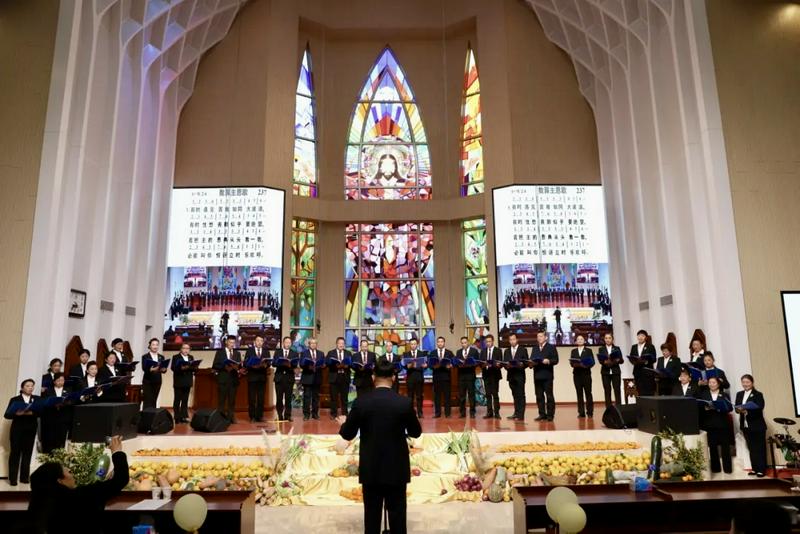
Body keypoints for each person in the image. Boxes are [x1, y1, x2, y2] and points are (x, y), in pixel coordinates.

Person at [338, 357, 422, 534]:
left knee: (372, 517)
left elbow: (348, 434)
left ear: (372, 377)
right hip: (396, 468)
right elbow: (416, 432)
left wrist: (343, 424)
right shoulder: (404, 403)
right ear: (393, 378)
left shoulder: (361, 402)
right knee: (398, 516)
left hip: (371, 468)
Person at [27, 435, 129, 534]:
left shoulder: (38, 508)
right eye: (69, 472)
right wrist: (117, 451)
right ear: (60, 481)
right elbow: (121, 479)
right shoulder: (82, 496)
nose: (73, 475)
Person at [4, 379, 39, 485]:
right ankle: (13, 479)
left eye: (32, 386)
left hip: (31, 430)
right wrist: (16, 414)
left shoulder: (37, 399)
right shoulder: (15, 399)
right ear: (22, 388)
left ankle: (24, 478)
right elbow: (7, 415)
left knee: (27, 454)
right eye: (28, 386)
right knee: (15, 453)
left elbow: (41, 412)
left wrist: (32, 413)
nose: (30, 388)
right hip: (17, 430)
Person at [698, 376, 733, 474]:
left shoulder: (724, 395)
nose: (711, 384)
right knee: (712, 447)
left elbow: (730, 408)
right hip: (709, 424)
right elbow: (699, 407)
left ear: (718, 384)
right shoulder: (704, 394)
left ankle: (727, 469)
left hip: (722, 424)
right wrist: (705, 408)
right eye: (710, 382)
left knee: (725, 447)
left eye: (714, 382)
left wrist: (719, 407)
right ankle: (716, 469)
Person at [735, 374, 767, 477]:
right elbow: (736, 408)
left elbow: (760, 407)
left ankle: (761, 470)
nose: (745, 384)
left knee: (759, 448)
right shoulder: (739, 394)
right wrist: (739, 410)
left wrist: (747, 411)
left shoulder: (758, 394)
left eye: (747, 382)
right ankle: (755, 468)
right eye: (743, 382)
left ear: (752, 383)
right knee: (751, 448)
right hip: (745, 425)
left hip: (757, 425)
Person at [212, 335, 242, 423]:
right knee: (222, 400)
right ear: (226, 342)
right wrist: (224, 367)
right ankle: (220, 418)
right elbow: (215, 365)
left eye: (233, 343)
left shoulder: (237, 353)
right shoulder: (220, 352)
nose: (232, 344)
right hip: (223, 379)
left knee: (232, 401)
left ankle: (230, 417)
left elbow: (239, 366)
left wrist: (237, 367)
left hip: (233, 380)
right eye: (230, 342)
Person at [40, 373, 71, 453]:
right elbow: (44, 403)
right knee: (50, 437)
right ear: (54, 381)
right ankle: (48, 454)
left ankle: (60, 454)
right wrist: (53, 404)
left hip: (63, 417)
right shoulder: (48, 391)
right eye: (58, 380)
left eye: (62, 380)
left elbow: (72, 402)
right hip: (51, 418)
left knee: (61, 437)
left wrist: (65, 403)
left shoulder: (68, 390)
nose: (60, 382)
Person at [531, 331, 558, 422]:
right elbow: (531, 359)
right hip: (537, 375)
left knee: (549, 396)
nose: (539, 338)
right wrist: (531, 363)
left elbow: (556, 360)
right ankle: (542, 414)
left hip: (547, 375)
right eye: (538, 336)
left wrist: (548, 361)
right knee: (539, 396)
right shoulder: (535, 348)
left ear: (546, 337)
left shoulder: (551, 347)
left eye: (541, 336)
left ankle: (550, 415)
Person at [503, 333, 529, 421]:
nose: (512, 341)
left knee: (521, 395)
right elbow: (504, 363)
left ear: (517, 340)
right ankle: (516, 413)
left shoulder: (523, 350)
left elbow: (526, 363)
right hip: (511, 376)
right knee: (514, 395)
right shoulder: (507, 351)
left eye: (513, 339)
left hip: (520, 376)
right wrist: (507, 366)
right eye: (510, 340)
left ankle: (521, 415)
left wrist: (522, 365)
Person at [244, 334, 269, 423]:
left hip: (262, 377)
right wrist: (252, 365)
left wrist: (265, 365)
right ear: (254, 342)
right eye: (258, 341)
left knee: (261, 398)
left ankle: (260, 416)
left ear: (263, 342)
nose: (259, 342)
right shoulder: (249, 351)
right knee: (252, 398)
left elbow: (268, 363)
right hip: (252, 377)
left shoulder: (266, 351)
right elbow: (245, 363)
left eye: (261, 341)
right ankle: (252, 417)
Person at [569, 334, 594, 418]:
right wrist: (576, 364)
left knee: (588, 393)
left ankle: (590, 412)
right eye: (578, 339)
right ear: (576, 341)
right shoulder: (573, 351)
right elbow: (571, 363)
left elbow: (592, 362)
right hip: (577, 375)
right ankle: (581, 412)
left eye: (581, 339)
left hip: (586, 374)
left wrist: (585, 365)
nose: (579, 340)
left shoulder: (588, 350)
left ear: (584, 341)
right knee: (579, 394)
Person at [273, 336, 297, 422]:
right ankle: (279, 415)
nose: (288, 344)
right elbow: (273, 363)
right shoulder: (278, 352)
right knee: (279, 398)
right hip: (279, 378)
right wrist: (282, 363)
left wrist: (290, 365)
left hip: (289, 378)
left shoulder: (294, 353)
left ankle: (288, 415)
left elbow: (295, 365)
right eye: (286, 342)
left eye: (289, 343)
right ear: (283, 343)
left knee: (288, 398)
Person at [171, 343, 196, 423]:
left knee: (185, 400)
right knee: (177, 399)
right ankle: (177, 417)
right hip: (179, 381)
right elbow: (173, 368)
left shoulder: (191, 357)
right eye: (184, 348)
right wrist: (182, 368)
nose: (186, 350)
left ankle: (184, 417)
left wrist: (194, 366)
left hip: (187, 381)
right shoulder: (176, 357)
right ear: (181, 349)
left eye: (188, 348)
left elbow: (193, 369)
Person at [327, 337, 352, 420]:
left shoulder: (348, 353)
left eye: (342, 343)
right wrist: (335, 365)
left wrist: (347, 365)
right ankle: (333, 413)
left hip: (344, 377)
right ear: (336, 344)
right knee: (333, 397)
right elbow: (327, 363)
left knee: (344, 397)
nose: (341, 345)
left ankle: (345, 413)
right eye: (339, 343)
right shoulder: (331, 353)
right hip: (334, 377)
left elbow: (352, 364)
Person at [301, 338, 325, 421]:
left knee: (316, 397)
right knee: (307, 397)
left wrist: (322, 365)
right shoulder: (304, 353)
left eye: (315, 343)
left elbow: (324, 363)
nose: (313, 345)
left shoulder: (321, 353)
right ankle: (306, 414)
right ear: (309, 344)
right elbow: (301, 364)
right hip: (307, 377)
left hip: (317, 378)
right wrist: (308, 366)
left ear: (317, 344)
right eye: (312, 343)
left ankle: (315, 414)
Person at [455, 337, 479, 418]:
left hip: (470, 375)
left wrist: (472, 364)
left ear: (468, 342)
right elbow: (456, 363)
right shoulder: (458, 352)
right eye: (462, 343)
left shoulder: (474, 351)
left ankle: (472, 412)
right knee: (462, 396)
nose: (464, 344)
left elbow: (478, 362)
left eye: (465, 342)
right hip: (461, 376)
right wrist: (458, 364)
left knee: (471, 395)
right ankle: (462, 412)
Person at [480, 334, 502, 419]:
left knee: (495, 394)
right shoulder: (483, 351)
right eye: (487, 342)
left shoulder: (498, 350)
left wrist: (495, 364)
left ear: (493, 341)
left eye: (489, 341)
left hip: (495, 375)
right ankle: (489, 412)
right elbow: (480, 363)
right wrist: (484, 364)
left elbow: (500, 363)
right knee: (488, 394)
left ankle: (497, 412)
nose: (488, 343)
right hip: (486, 375)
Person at [598, 332, 623, 408]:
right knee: (607, 391)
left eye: (609, 338)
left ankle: (619, 408)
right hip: (605, 372)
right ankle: (608, 409)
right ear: (604, 339)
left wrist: (616, 360)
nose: (608, 340)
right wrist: (605, 362)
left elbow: (621, 360)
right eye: (606, 338)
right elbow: (600, 360)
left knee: (617, 390)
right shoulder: (601, 349)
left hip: (615, 371)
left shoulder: (617, 348)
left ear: (612, 339)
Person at [431, 336, 453, 418]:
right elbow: (429, 364)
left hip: (446, 377)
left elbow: (453, 362)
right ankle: (437, 413)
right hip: (436, 377)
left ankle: (448, 413)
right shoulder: (433, 353)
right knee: (437, 396)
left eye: (441, 342)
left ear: (444, 343)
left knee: (447, 396)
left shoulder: (449, 353)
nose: (440, 343)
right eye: (438, 342)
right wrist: (433, 366)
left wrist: (450, 365)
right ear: (437, 343)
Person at [629, 329, 657, 396]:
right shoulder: (634, 347)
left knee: (649, 392)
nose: (640, 337)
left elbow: (654, 359)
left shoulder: (650, 346)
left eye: (642, 336)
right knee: (640, 392)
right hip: (637, 372)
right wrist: (633, 361)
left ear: (646, 337)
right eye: (639, 336)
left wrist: (646, 361)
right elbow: (631, 357)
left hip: (648, 373)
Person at [141, 338, 166, 409]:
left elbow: (164, 369)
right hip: (148, 381)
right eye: (153, 345)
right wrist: (151, 369)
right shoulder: (145, 356)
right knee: (147, 400)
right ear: (150, 346)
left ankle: (153, 415)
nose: (155, 346)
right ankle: (146, 415)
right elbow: (144, 368)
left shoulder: (161, 357)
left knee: (154, 400)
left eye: (157, 345)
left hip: (157, 381)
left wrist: (164, 370)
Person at [403, 338, 426, 418]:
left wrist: (425, 366)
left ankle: (420, 412)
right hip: (410, 377)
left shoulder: (421, 353)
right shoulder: (406, 354)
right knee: (410, 396)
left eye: (414, 344)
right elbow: (405, 366)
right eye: (411, 344)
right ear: (410, 345)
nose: (413, 345)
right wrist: (409, 366)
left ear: (417, 345)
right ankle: (410, 413)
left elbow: (425, 365)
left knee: (419, 396)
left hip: (419, 377)